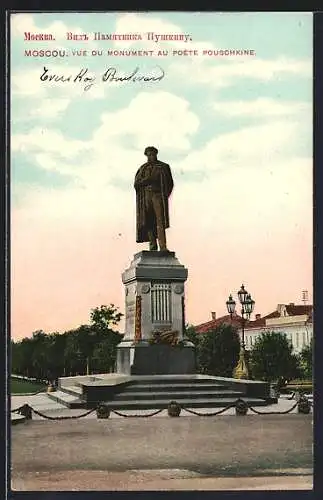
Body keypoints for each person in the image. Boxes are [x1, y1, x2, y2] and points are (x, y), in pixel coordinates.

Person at [134, 146, 174, 251]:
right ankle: (152, 245)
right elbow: (136, 183)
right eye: (149, 154)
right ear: (146, 155)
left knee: (160, 221)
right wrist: (146, 180)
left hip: (158, 196)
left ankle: (163, 246)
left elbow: (170, 184)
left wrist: (163, 196)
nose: (151, 156)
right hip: (146, 197)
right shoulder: (143, 168)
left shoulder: (163, 167)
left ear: (156, 154)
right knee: (149, 221)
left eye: (153, 154)